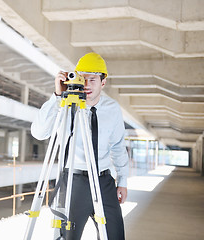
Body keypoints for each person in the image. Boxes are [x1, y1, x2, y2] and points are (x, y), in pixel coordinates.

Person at [31, 52, 129, 240]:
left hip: (104, 182)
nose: (86, 84)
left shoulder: (112, 108)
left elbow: (118, 145)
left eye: (92, 79)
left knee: (115, 235)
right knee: (68, 237)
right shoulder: (65, 105)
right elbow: (39, 132)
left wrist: (122, 181)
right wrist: (57, 97)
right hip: (73, 182)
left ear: (103, 81)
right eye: (82, 78)